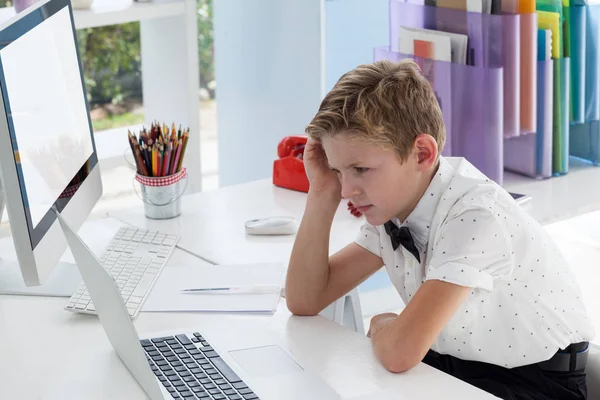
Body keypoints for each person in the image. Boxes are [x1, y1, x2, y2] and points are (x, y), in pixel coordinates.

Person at [285, 59, 595, 400]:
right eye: (339, 171)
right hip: (452, 367)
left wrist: (385, 325)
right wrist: (321, 193)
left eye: (360, 169)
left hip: (533, 385)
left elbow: (400, 352)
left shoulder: (475, 215)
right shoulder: (394, 205)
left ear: (422, 153)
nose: (347, 189)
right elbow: (305, 299)